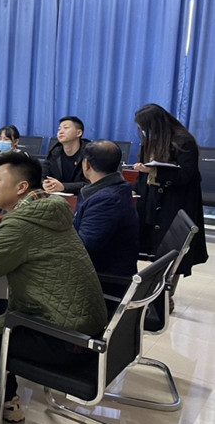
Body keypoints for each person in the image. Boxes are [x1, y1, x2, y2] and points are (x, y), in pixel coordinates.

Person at [0, 151, 107, 424]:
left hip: (64, 341)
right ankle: (8, 399)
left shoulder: (21, 223)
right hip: (82, 330)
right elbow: (18, 248)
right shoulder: (48, 210)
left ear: (21, 187)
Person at [132, 103, 208, 304]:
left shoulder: (183, 141)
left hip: (177, 202)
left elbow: (186, 175)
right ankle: (154, 293)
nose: (144, 132)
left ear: (156, 124)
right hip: (152, 199)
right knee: (152, 246)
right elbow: (144, 171)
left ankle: (166, 297)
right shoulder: (151, 140)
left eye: (145, 127)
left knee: (173, 249)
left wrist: (156, 171)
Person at [73, 140, 139, 277]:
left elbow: (82, 249)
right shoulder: (116, 188)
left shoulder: (107, 201)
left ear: (86, 164)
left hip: (102, 278)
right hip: (101, 267)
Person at [42, 116, 90, 195]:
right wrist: (45, 184)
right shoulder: (54, 152)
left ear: (78, 133)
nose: (60, 132)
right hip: (56, 197)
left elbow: (92, 183)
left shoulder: (89, 153)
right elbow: (43, 176)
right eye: (59, 129)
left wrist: (64, 186)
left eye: (66, 128)